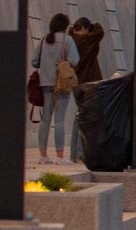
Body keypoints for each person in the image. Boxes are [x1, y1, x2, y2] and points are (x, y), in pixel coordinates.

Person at [32, 12, 80, 162]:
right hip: (62, 84)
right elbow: (75, 60)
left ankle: (43, 155)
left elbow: (34, 61)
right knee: (59, 119)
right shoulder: (68, 40)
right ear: (65, 26)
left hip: (45, 83)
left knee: (45, 119)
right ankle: (60, 156)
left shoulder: (44, 40)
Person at [68, 17, 106, 160]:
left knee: (79, 116)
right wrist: (96, 24)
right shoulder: (85, 41)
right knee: (83, 118)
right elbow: (99, 33)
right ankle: (79, 153)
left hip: (76, 82)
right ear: (84, 28)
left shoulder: (71, 40)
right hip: (88, 83)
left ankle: (75, 153)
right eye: (87, 29)